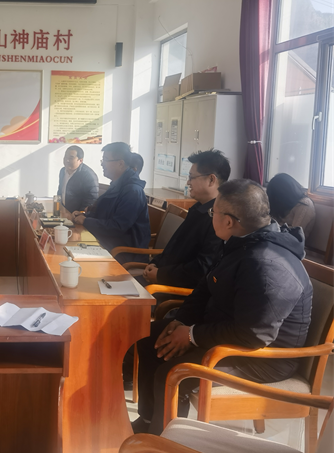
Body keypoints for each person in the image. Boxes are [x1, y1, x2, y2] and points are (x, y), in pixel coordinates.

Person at [131, 179, 312, 436]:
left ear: (228, 221)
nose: (211, 216)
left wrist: (191, 335)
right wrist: (182, 322)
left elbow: (254, 334)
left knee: (172, 372)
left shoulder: (267, 263)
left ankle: (163, 442)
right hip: (229, 332)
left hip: (262, 356)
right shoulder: (241, 242)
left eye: (212, 212)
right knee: (150, 340)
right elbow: (206, 287)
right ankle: (149, 421)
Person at [141, 149, 228, 289]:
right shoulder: (198, 209)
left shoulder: (219, 218)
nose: (188, 182)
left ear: (211, 180)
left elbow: (202, 268)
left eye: (192, 177)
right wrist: (155, 263)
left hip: (175, 290)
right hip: (162, 279)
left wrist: (160, 274)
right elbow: (174, 248)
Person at [73, 142, 150, 263]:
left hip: (124, 252)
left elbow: (117, 227)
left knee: (73, 259)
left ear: (120, 163)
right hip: (108, 243)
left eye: (106, 159)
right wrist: (84, 216)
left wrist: (86, 221)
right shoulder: (118, 184)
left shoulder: (132, 191)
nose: (102, 163)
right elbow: (105, 214)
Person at [266, 173, 316, 239]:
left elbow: (295, 234)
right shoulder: (283, 204)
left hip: (289, 242)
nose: (275, 200)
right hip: (273, 237)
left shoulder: (304, 205)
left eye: (276, 197)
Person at [56, 145, 99, 213]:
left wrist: (80, 213)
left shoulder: (88, 175)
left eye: (71, 158)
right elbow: (60, 191)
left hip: (77, 214)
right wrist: (58, 208)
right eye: (66, 157)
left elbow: (91, 199)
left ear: (80, 160)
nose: (67, 160)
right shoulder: (63, 171)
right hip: (63, 211)